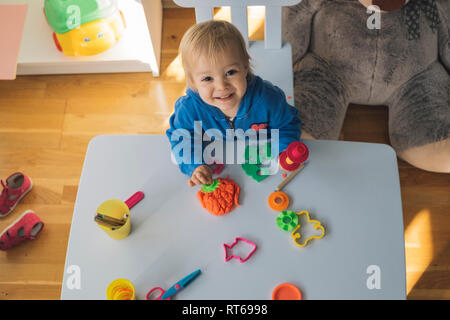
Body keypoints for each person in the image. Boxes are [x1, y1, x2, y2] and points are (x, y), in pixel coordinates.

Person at [166, 20, 301, 186]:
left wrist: (283, 151)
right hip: (223, 161)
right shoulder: (189, 109)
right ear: (192, 81)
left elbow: (287, 124)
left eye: (230, 72)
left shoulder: (268, 99)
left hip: (258, 154)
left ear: (245, 66)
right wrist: (194, 166)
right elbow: (181, 137)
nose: (222, 86)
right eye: (208, 78)